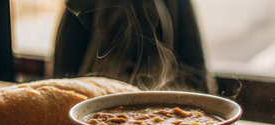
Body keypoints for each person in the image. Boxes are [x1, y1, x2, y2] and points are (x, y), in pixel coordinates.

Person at [54, 0, 216, 93]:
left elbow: (199, 80)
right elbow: (61, 82)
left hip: (163, 119)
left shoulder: (179, 3)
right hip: (93, 110)